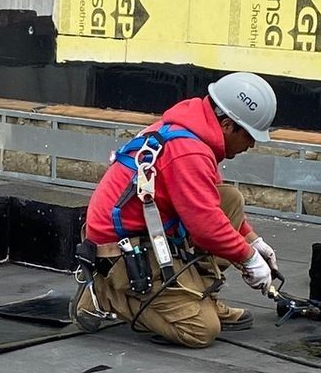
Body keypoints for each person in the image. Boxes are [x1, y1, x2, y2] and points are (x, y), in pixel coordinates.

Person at [72, 71, 281, 348]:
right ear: (227, 125)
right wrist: (248, 258)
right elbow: (206, 227)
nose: (251, 144)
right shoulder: (189, 151)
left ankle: (200, 296)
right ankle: (105, 294)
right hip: (119, 251)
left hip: (150, 234)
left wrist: (253, 241)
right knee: (201, 330)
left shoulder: (193, 134)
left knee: (229, 199)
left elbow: (209, 204)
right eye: (249, 136)